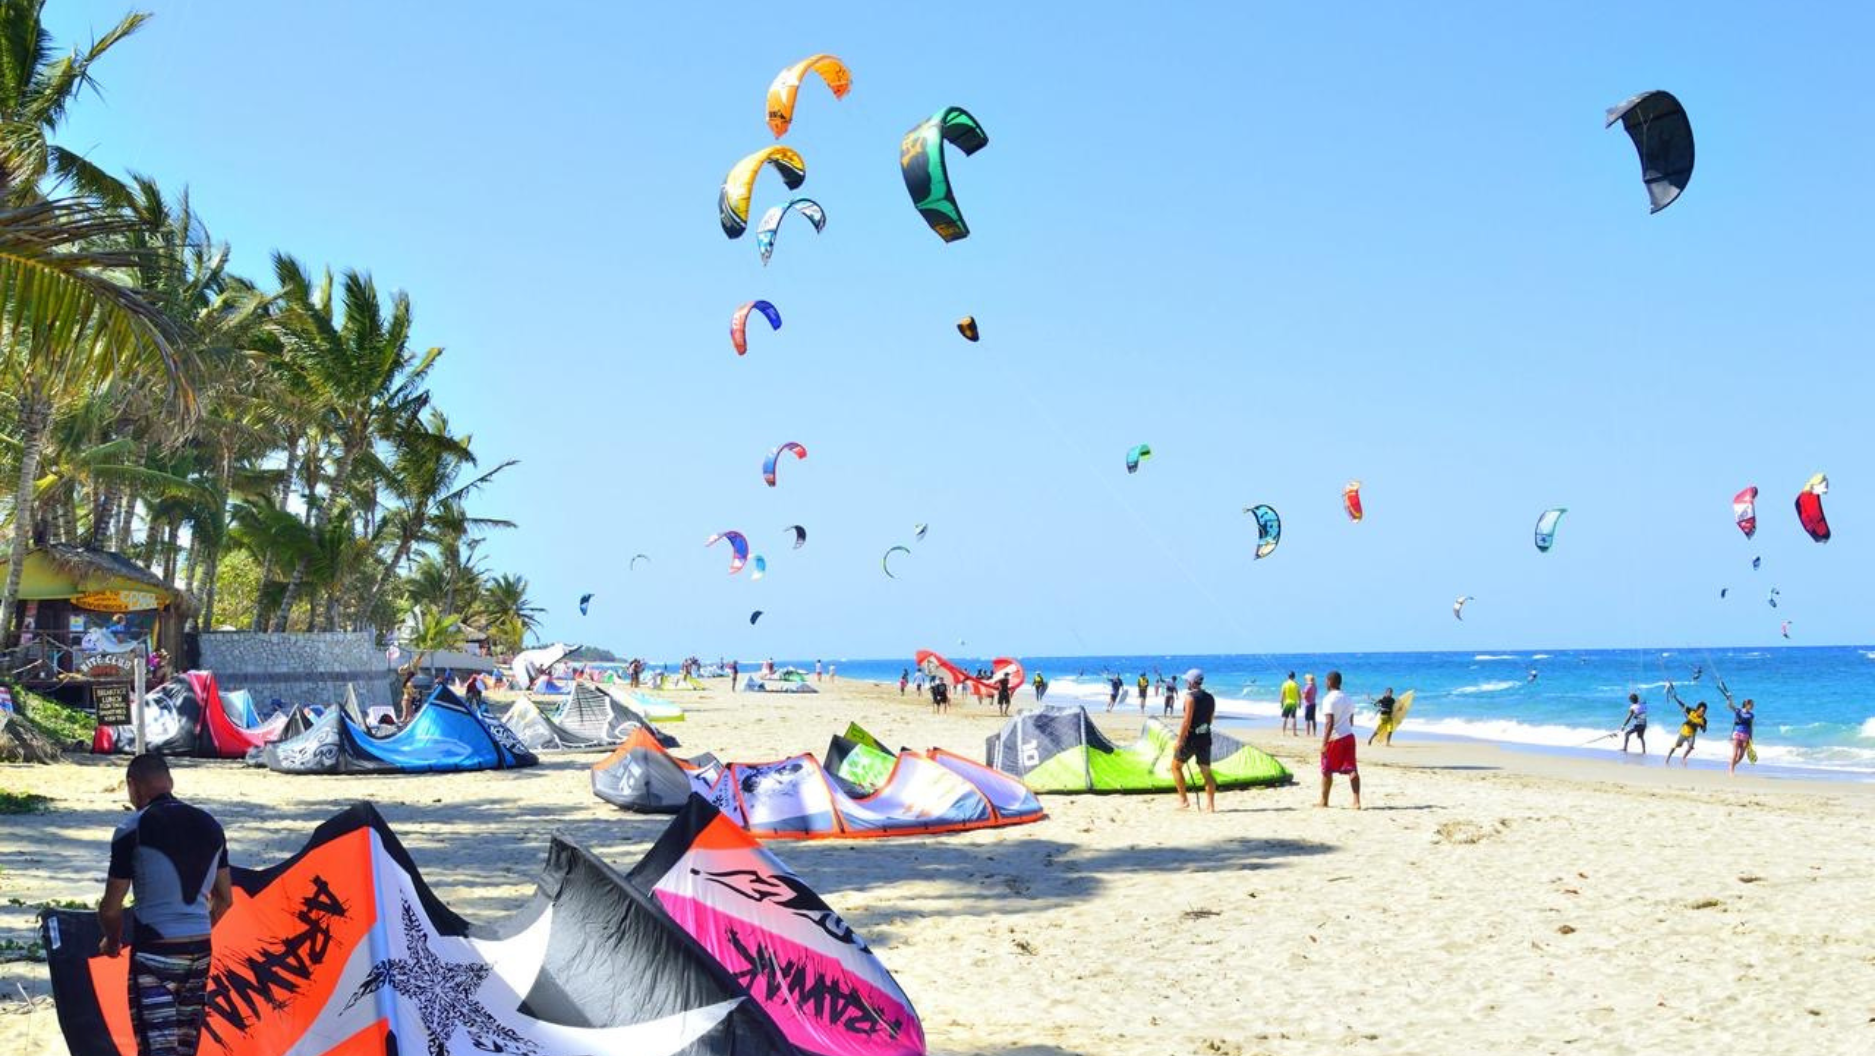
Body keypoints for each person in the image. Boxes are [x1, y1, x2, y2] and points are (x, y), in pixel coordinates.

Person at [98, 754, 233, 1056]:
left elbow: (110, 907)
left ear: (133, 786)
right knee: (185, 1048)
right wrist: (195, 928)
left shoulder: (132, 828)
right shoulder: (211, 825)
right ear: (169, 782)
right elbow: (226, 899)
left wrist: (113, 940)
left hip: (154, 954)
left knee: (156, 1049)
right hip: (200, 951)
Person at [1172, 668, 1217, 812]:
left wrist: (1179, 741)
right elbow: (1210, 720)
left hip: (1191, 739)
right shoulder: (1210, 697)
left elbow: (1186, 722)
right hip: (1205, 738)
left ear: (1191, 682)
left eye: (1187, 680)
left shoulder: (1189, 698)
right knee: (1206, 772)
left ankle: (1183, 801)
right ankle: (1210, 805)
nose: (1185, 682)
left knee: (1175, 767)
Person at [1318, 671, 1361, 808]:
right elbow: (1351, 721)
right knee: (1352, 768)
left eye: (1326, 681)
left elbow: (1329, 722)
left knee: (1327, 769)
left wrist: (1324, 743)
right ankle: (1356, 801)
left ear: (1330, 682)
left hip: (1335, 738)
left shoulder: (1328, 699)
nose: (1325, 683)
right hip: (1349, 736)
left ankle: (1324, 801)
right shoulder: (1348, 698)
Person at [1664, 686, 1708, 767]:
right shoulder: (1691, 711)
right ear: (1698, 709)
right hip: (1684, 732)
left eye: (1704, 711)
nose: (1703, 712)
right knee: (1677, 746)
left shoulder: (1703, 720)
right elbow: (1682, 704)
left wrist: (1703, 727)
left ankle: (1683, 758)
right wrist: (1676, 698)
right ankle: (1668, 758)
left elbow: (1704, 730)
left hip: (1692, 735)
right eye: (1702, 711)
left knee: (1691, 746)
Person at [1726, 697, 1756, 775]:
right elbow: (1730, 706)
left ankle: (1731, 766)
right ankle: (1731, 771)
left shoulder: (1752, 715)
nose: (1753, 706)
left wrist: (1751, 737)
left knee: (1741, 756)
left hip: (1746, 736)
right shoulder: (1738, 711)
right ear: (1747, 705)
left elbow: (1751, 727)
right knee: (1735, 754)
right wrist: (1730, 699)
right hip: (1737, 734)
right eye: (1751, 705)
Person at [1279, 672, 1301, 736]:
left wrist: (1281, 702)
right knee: (1293, 718)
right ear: (1294, 677)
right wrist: (1300, 703)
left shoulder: (1285, 684)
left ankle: (1283, 732)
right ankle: (1294, 733)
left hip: (1287, 703)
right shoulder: (1296, 684)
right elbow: (1299, 694)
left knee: (1285, 718)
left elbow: (1282, 694)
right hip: (1294, 703)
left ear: (1288, 677)